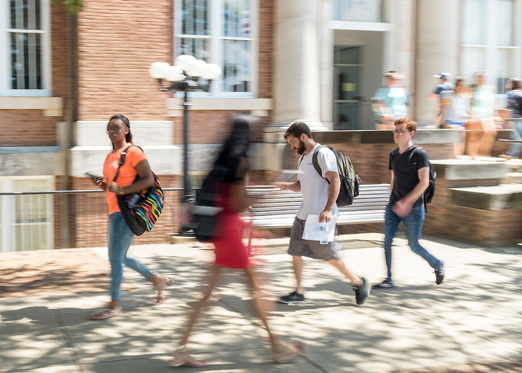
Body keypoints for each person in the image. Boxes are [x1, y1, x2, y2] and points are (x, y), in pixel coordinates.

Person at [170, 117, 308, 368]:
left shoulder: (220, 161)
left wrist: (253, 227)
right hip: (233, 235)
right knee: (259, 289)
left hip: (222, 233)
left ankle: (181, 350)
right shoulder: (241, 162)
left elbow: (224, 203)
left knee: (209, 293)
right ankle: (277, 347)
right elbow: (236, 204)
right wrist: (265, 192)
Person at [275, 122, 370, 305]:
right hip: (303, 215)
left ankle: (358, 282)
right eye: (289, 143)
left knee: (328, 255)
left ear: (303, 136)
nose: (292, 146)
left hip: (320, 216)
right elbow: (301, 185)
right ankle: (299, 291)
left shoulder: (323, 154)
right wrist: (287, 186)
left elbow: (335, 181)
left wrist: (327, 209)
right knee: (295, 251)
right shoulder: (302, 158)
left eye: (293, 142)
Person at [88, 114, 171, 320]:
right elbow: (114, 186)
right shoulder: (110, 156)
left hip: (127, 212)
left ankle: (114, 306)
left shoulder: (133, 152)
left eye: (116, 127)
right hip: (115, 211)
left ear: (126, 130)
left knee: (115, 259)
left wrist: (122, 190)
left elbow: (148, 180)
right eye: (109, 128)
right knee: (119, 257)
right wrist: (104, 186)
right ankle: (155, 279)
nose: (112, 131)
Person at [374, 118, 445, 289]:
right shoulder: (393, 154)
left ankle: (437, 264)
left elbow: (424, 182)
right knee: (387, 241)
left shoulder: (419, 154)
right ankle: (388, 279)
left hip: (413, 208)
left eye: (401, 131)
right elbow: (394, 179)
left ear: (411, 133)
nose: (397, 134)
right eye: (395, 130)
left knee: (413, 245)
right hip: (393, 206)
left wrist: (406, 202)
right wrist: (393, 201)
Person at [468, 71, 500, 159]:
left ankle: (483, 153)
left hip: (487, 114)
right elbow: (468, 101)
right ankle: (473, 153)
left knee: (491, 132)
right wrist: (468, 114)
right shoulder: (473, 88)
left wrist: (496, 114)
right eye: (479, 76)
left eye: (483, 76)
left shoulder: (491, 88)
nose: (481, 78)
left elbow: (494, 102)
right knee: (476, 135)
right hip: (475, 114)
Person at [441, 78, 471, 157]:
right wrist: (442, 121)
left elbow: (465, 111)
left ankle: (459, 155)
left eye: (463, 86)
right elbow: (443, 108)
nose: (461, 87)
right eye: (459, 85)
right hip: (450, 121)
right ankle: (455, 155)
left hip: (460, 121)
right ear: (456, 86)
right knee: (457, 134)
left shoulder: (465, 98)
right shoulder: (449, 95)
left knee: (463, 136)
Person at [503, 78, 522, 159]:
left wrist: (506, 120)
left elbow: (509, 107)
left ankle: (513, 155)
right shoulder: (520, 93)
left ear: (513, 84)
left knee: (517, 137)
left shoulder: (511, 93)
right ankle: (511, 154)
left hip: (515, 118)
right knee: (516, 137)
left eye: (509, 82)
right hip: (519, 117)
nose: (507, 83)